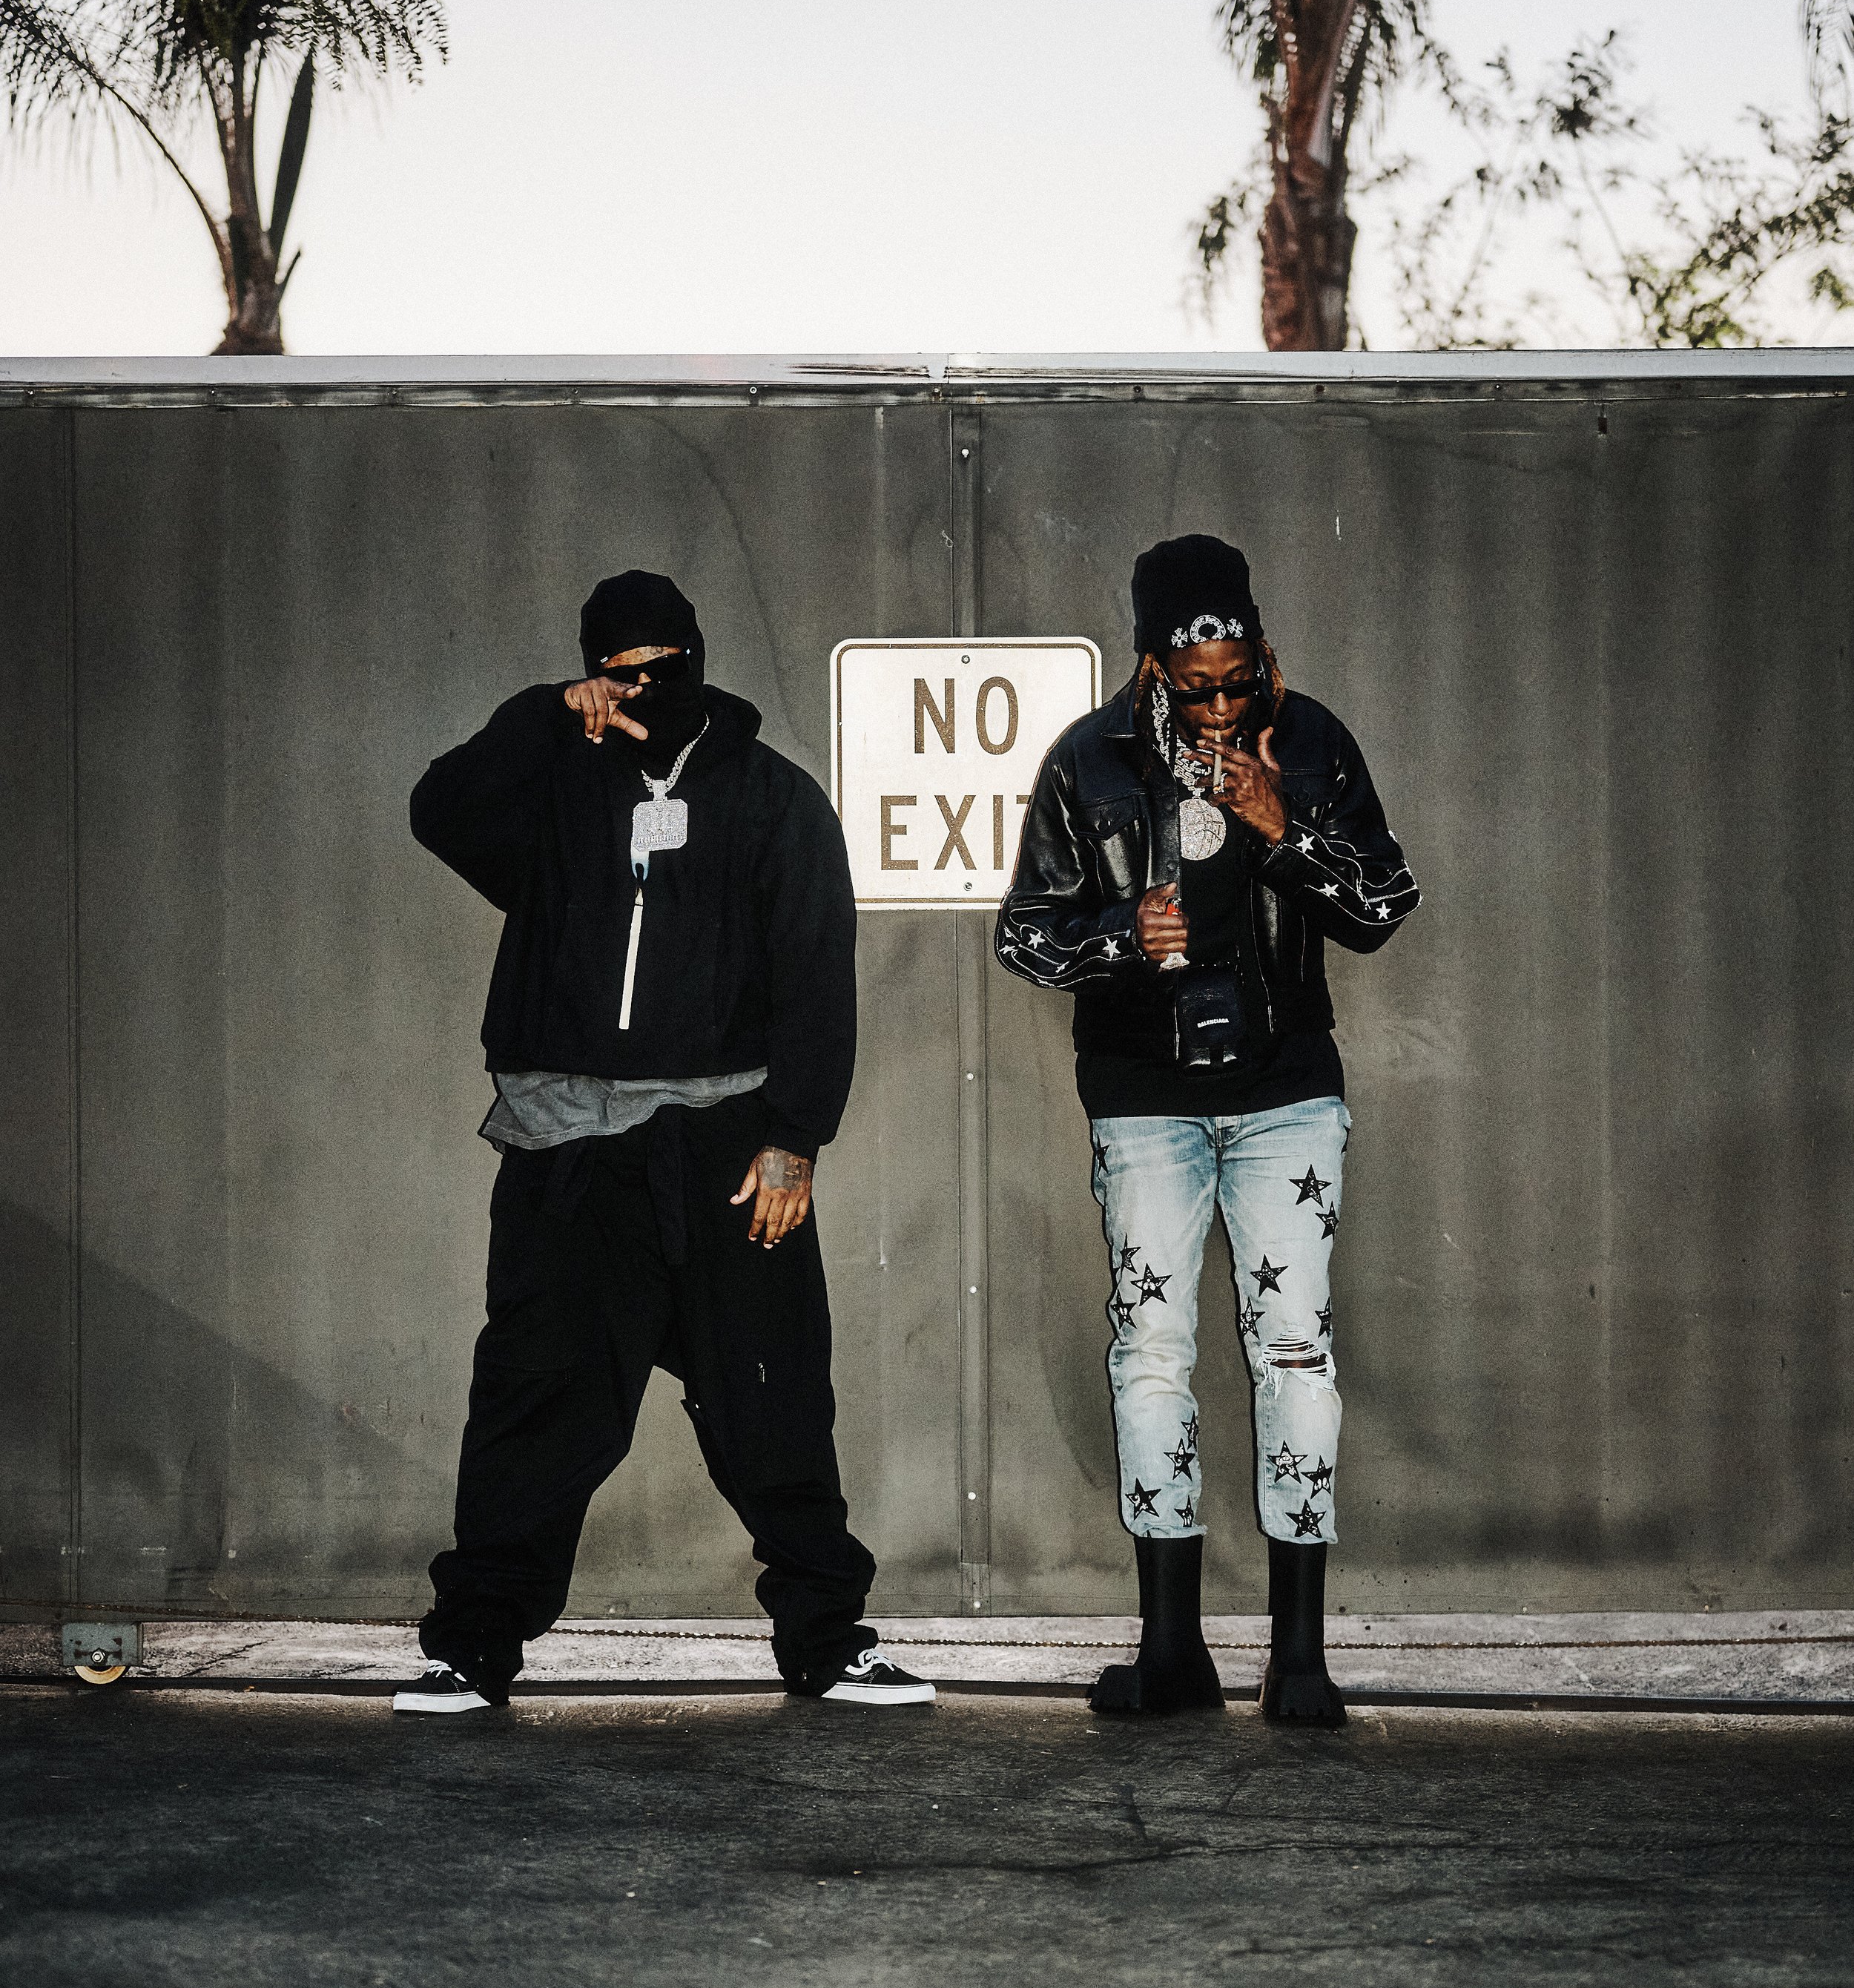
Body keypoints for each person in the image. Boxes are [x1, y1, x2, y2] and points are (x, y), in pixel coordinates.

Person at [395, 569, 934, 1714]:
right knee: (537, 1403)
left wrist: (795, 1138)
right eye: (618, 671)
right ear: (594, 670)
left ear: (698, 655)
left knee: (772, 1397)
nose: (645, 687)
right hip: (571, 1145)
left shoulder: (771, 795)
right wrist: (546, 716)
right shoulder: (553, 787)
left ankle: (828, 1639)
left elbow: (814, 974)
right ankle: (474, 1645)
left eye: (663, 666)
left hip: (730, 1144)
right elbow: (438, 812)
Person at [997, 534, 1419, 1725]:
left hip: (1287, 1092)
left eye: (1241, 678)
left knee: (1296, 1350)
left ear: (1263, 648)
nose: (1225, 704)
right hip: (1144, 1100)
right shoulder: (1090, 761)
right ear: (1151, 668)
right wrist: (1127, 938)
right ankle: (1172, 1650)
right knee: (1153, 1354)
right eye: (1200, 689)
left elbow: (1386, 905)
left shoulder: (1314, 742)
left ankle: (1299, 1656)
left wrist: (1281, 821)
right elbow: (1025, 931)